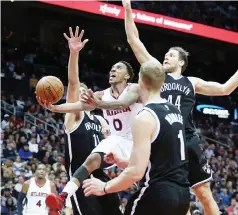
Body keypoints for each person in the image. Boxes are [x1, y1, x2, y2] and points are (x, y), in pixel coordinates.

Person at [80, 1, 238, 214]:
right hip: (162, 136)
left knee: (204, 194)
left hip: (185, 138)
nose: (166, 56)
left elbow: (226, 88)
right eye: (166, 54)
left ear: (181, 62)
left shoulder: (191, 82)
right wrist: (127, 9)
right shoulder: (156, 74)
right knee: (161, 189)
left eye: (172, 55)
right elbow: (133, 40)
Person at [82, 60, 190, 215]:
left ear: (141, 81)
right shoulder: (175, 112)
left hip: (157, 195)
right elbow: (161, 160)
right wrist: (124, 162)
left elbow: (136, 173)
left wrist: (104, 187)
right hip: (183, 196)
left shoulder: (145, 117)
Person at [37, 27, 122, 215]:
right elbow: (74, 83)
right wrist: (74, 53)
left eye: (86, 92)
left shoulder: (102, 121)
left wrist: (113, 160)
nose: (83, 95)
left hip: (101, 177)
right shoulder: (74, 116)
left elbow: (111, 152)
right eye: (79, 94)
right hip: (79, 180)